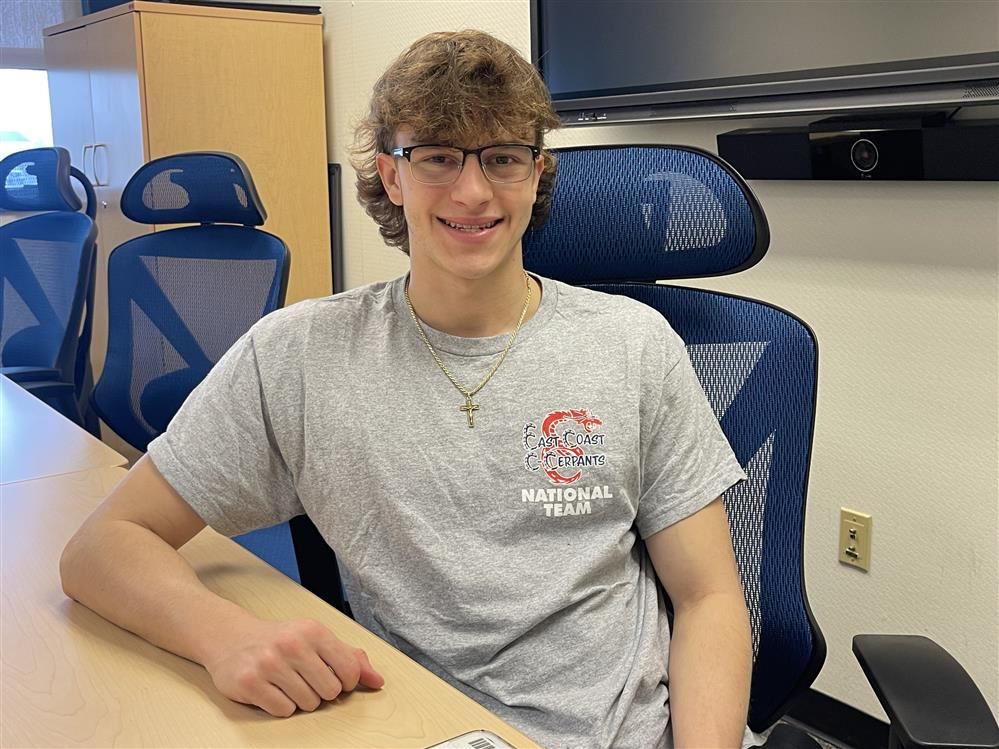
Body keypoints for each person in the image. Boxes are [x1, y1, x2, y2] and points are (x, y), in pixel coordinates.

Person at [60, 29, 754, 749]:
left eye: (503, 158)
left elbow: (707, 596)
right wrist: (225, 637)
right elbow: (101, 547)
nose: (473, 190)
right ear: (392, 177)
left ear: (536, 174)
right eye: (437, 157)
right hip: (416, 725)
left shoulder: (634, 345)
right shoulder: (299, 355)